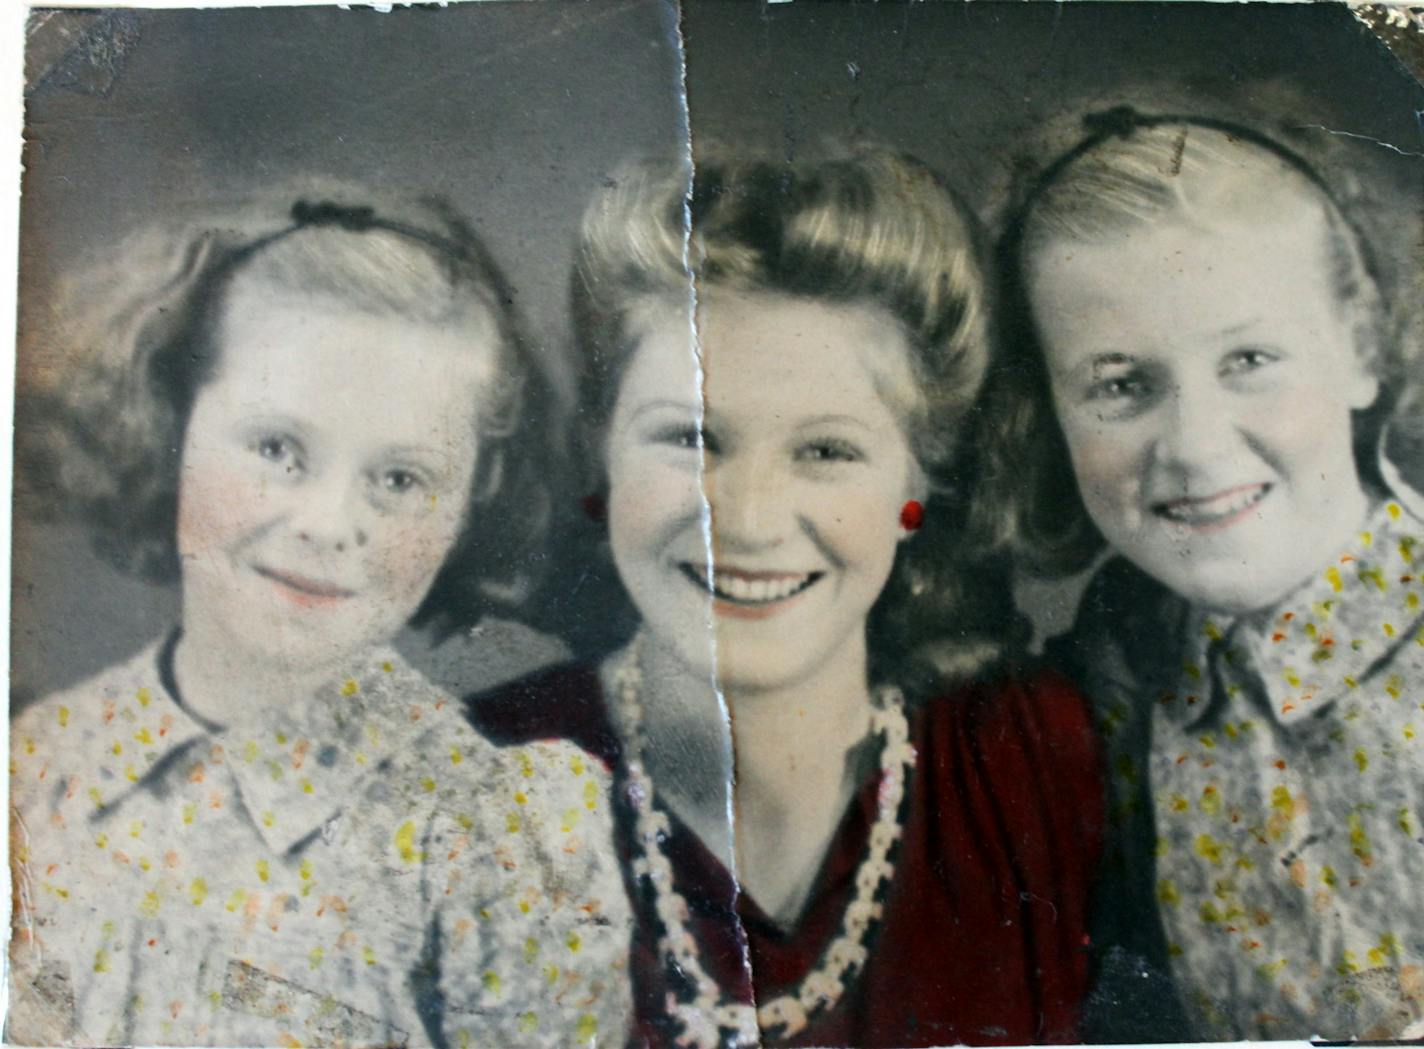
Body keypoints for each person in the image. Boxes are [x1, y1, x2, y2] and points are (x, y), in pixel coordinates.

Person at [466, 149, 1104, 1048]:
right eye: (691, 437)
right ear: (599, 451)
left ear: (920, 487)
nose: (751, 519)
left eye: (828, 450)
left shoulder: (1039, 761)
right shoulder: (462, 781)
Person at [8, 194, 630, 1047]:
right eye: (277, 450)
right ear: (173, 418)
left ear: (472, 495)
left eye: (401, 479)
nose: (330, 524)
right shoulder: (39, 766)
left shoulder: (498, 834)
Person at [984, 107, 1424, 1041]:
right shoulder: (1128, 676)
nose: (1193, 444)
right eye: (1119, 384)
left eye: (1250, 359)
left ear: (1362, 345)